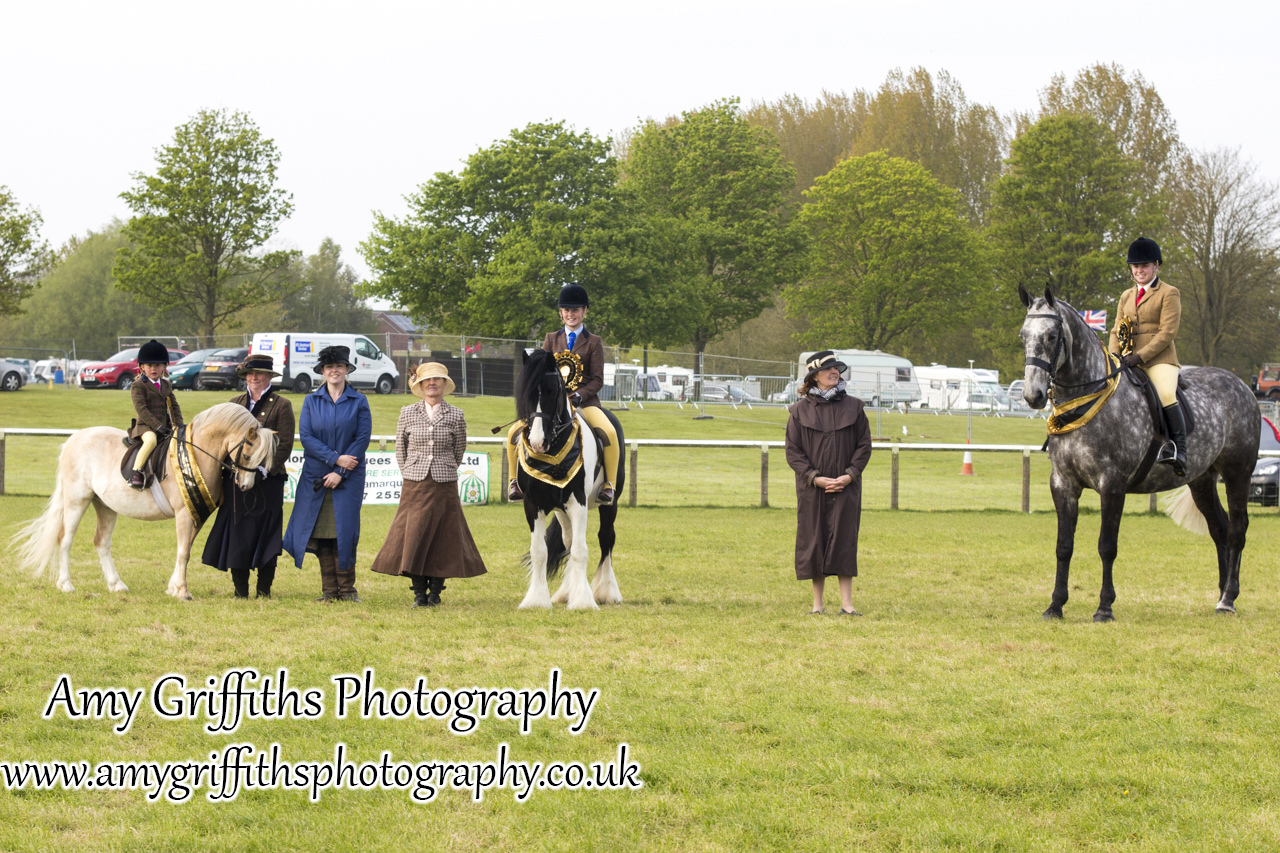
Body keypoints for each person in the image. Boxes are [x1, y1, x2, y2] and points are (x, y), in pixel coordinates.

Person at [371, 362, 487, 606]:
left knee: (443, 538)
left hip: (445, 484)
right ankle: (418, 594)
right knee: (413, 536)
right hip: (414, 484)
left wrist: (444, 469)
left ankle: (435, 593)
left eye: (437, 380)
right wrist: (410, 471)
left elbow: (459, 450)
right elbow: (400, 448)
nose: (432, 384)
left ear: (444, 385)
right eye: (427, 380)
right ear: (420, 385)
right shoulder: (407, 412)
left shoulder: (456, 414)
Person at [506, 283, 621, 505]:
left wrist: (579, 395)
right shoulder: (551, 338)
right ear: (561, 314)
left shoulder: (594, 342)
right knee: (513, 432)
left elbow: (597, 379)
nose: (571, 314)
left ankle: (609, 484)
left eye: (575, 310)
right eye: (567, 310)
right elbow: (541, 371)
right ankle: (514, 481)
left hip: (584, 403)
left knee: (609, 432)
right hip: (552, 404)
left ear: (584, 311)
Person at [785, 350, 873, 616]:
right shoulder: (799, 412)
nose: (835, 372)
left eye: (837, 369)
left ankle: (847, 605)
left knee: (844, 541)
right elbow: (793, 452)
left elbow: (864, 446)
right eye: (828, 370)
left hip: (847, 488)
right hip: (813, 491)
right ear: (814, 377)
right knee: (815, 541)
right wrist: (815, 479)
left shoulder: (855, 407)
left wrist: (849, 475)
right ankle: (817, 605)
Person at [200, 353, 295, 598]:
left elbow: (284, 444)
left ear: (269, 377)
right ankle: (240, 590)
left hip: (268, 481)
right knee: (237, 534)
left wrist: (265, 469)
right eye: (250, 374)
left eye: (259, 373)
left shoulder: (281, 405)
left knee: (267, 535)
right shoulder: (234, 403)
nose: (254, 378)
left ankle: (264, 589)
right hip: (235, 482)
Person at [282, 345, 372, 602]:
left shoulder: (359, 401)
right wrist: (334, 459)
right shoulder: (311, 401)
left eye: (339, 366)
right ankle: (329, 591)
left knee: (344, 531)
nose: (335, 370)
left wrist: (341, 470)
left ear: (346, 370)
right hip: (317, 477)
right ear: (323, 371)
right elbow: (307, 438)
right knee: (321, 534)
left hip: (349, 478)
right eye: (330, 367)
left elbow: (362, 438)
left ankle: (348, 590)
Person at [1108, 236, 1186, 475]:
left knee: (1165, 393)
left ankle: (1179, 449)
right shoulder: (1126, 296)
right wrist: (1113, 356)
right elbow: (1115, 329)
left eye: (1144, 265)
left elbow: (1167, 333)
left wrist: (1140, 356)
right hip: (1128, 360)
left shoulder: (1169, 293)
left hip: (1159, 360)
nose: (1140, 270)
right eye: (1136, 266)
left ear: (1156, 266)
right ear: (1131, 270)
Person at [127, 339, 184, 489]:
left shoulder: (166, 385)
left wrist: (179, 425)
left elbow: (174, 406)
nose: (153, 368)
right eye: (149, 365)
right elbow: (142, 409)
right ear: (142, 367)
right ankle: (137, 472)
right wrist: (157, 426)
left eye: (158, 365)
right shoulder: (138, 385)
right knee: (151, 441)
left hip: (164, 427)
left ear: (164, 366)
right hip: (146, 427)